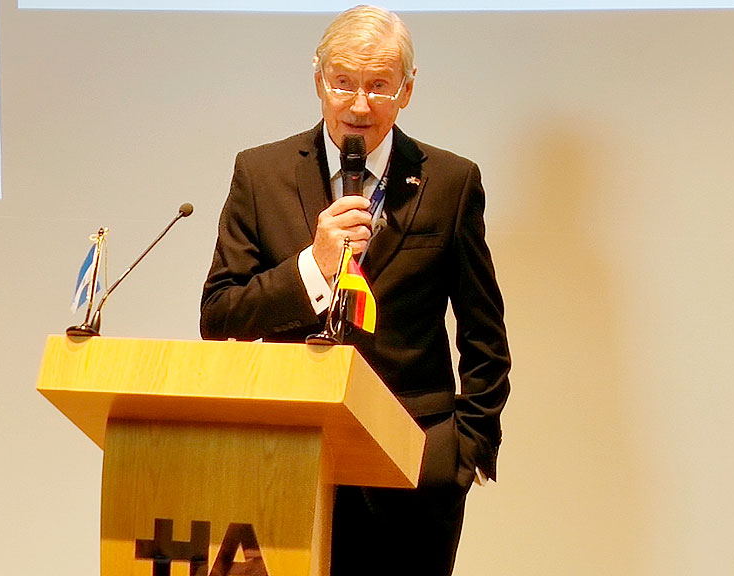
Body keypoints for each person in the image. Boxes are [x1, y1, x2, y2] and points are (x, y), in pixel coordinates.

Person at [200, 5, 510, 575]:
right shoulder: (260, 173)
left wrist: (465, 453)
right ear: (318, 80)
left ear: (407, 91)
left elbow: (484, 334)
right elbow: (220, 313)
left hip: (413, 468)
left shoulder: (450, 182)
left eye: (378, 86)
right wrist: (313, 266)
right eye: (343, 83)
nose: (359, 104)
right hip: (285, 457)